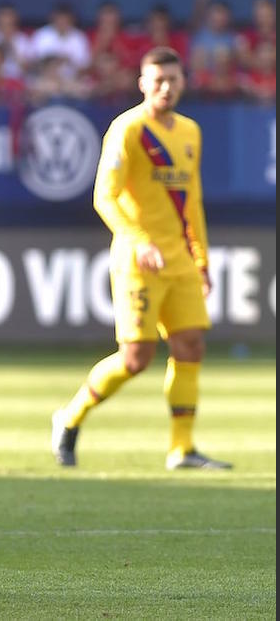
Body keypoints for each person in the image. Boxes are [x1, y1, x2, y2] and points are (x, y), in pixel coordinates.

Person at [51, 47, 232, 471]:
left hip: (180, 259)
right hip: (138, 259)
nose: (166, 87)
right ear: (142, 84)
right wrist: (137, 240)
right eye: (158, 80)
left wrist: (201, 259)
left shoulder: (190, 132)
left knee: (191, 346)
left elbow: (192, 203)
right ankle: (69, 417)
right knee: (137, 357)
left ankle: (182, 449)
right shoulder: (127, 129)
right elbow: (104, 196)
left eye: (173, 79)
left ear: (183, 81)